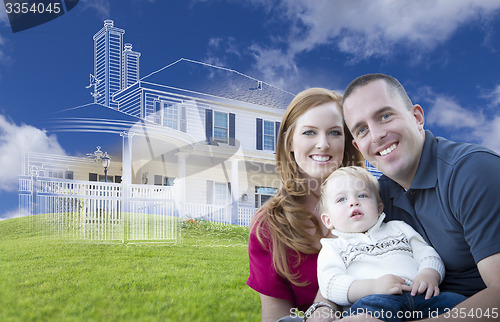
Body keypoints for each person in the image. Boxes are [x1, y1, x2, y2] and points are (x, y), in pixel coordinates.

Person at [341, 73, 500, 320]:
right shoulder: (379, 196)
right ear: (358, 146)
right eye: (362, 130)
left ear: (417, 117)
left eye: (385, 116)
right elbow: (342, 254)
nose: (376, 135)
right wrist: (322, 310)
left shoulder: (473, 171)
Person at [247, 87, 365, 321]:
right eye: (310, 133)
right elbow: (278, 316)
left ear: (347, 142)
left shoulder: (374, 202)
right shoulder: (269, 226)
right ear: (289, 142)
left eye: (334, 132)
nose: (323, 144)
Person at [317, 166, 466, 321]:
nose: (354, 202)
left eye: (362, 195)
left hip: (421, 295)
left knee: (458, 303)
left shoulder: (399, 227)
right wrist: (373, 286)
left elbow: (427, 253)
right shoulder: (333, 247)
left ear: (379, 208)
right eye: (341, 199)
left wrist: (429, 274)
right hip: (374, 301)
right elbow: (331, 284)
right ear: (328, 220)